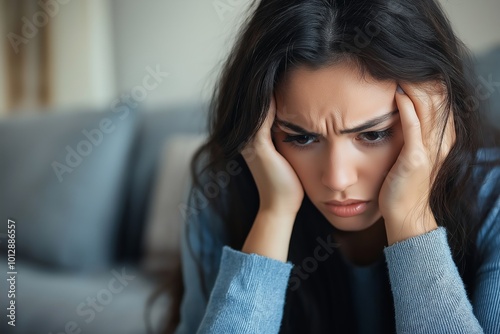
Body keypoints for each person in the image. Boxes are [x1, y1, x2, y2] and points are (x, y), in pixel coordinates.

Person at [166, 0, 500, 333]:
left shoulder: (493, 202)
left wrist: (411, 220)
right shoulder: (221, 195)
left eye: (373, 133)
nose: (337, 178)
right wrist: (274, 213)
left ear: (435, 112)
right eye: (300, 138)